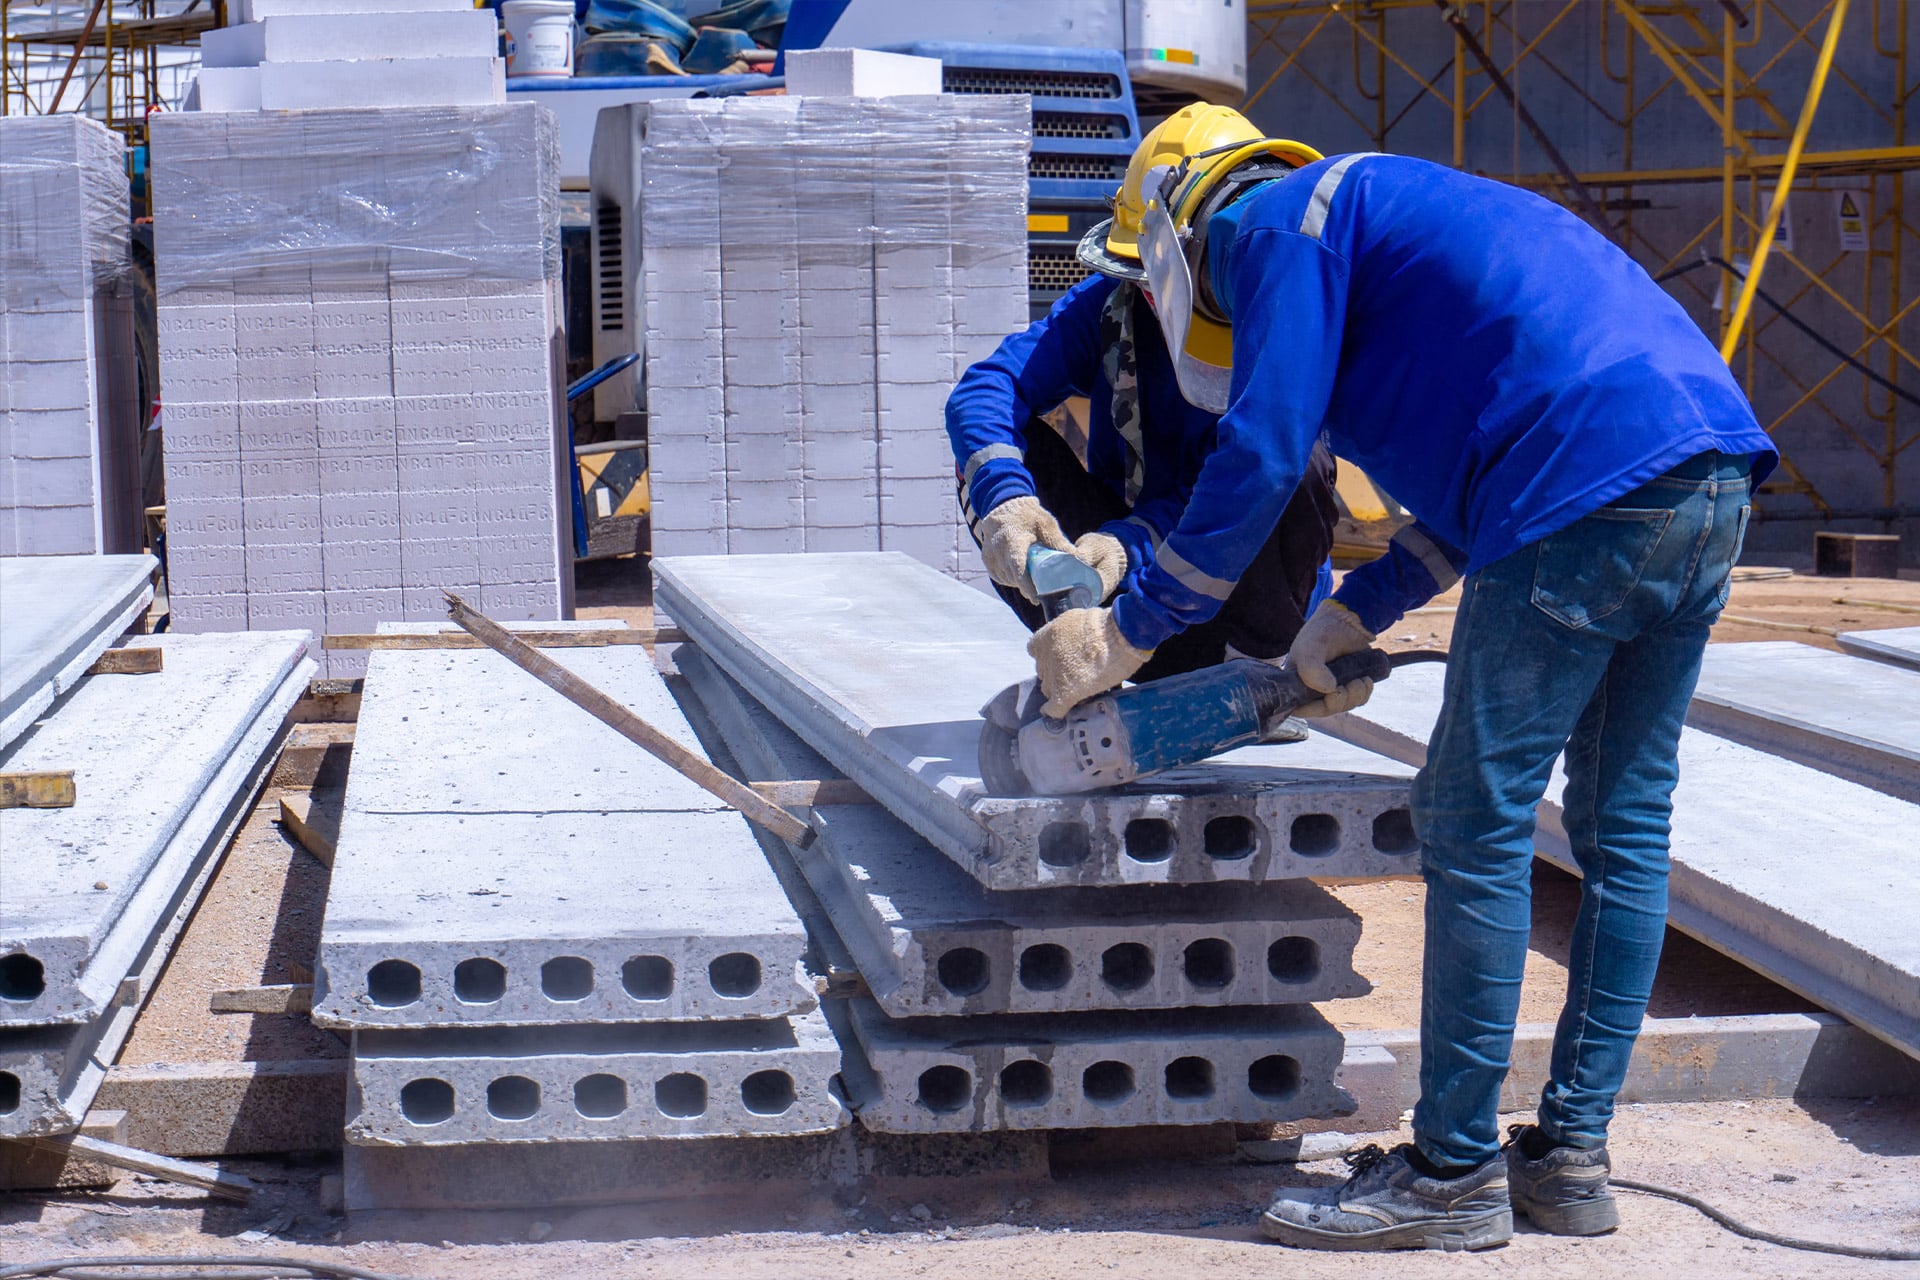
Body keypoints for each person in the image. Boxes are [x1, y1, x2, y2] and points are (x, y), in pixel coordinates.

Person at [1024, 105, 1776, 1252]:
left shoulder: (1275, 226)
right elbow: (1475, 505)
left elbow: (1266, 455)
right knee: (1625, 824)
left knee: (1473, 822)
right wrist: (1347, 615)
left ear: (1175, 239)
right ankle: (1569, 1157)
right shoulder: (1381, 228)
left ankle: (1452, 1171)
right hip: (1706, 471)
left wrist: (1133, 629)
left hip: (1582, 480)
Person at [947, 107, 1339, 694]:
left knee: (1296, 468)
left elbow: (1238, 490)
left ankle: (1252, 675)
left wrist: (1125, 547)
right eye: (1142, 275)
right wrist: (1007, 503)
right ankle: (1079, 649)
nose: (1154, 295)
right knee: (991, 450)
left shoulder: (1283, 333)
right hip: (1126, 598)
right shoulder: (1114, 308)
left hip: (1242, 606)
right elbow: (986, 389)